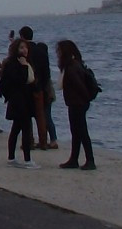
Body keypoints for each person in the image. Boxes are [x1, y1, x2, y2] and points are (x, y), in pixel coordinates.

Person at [55, 39, 97, 170]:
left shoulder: (71, 67)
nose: (57, 54)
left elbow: (79, 86)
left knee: (81, 131)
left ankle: (89, 160)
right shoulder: (75, 64)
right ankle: (74, 159)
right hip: (77, 103)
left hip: (77, 103)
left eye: (59, 51)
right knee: (77, 131)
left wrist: (85, 99)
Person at [0, 38, 35, 168]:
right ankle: (27, 160)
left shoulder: (21, 62)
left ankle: (12, 157)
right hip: (20, 102)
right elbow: (21, 80)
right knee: (25, 129)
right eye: (21, 48)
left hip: (21, 101)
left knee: (16, 129)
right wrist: (25, 67)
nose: (24, 50)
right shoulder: (15, 64)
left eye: (25, 47)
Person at [21, 26, 56, 150]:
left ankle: (29, 140)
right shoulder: (41, 51)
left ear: (22, 37)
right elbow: (46, 72)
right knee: (40, 116)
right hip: (39, 87)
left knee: (26, 116)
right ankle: (43, 141)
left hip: (26, 88)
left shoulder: (24, 51)